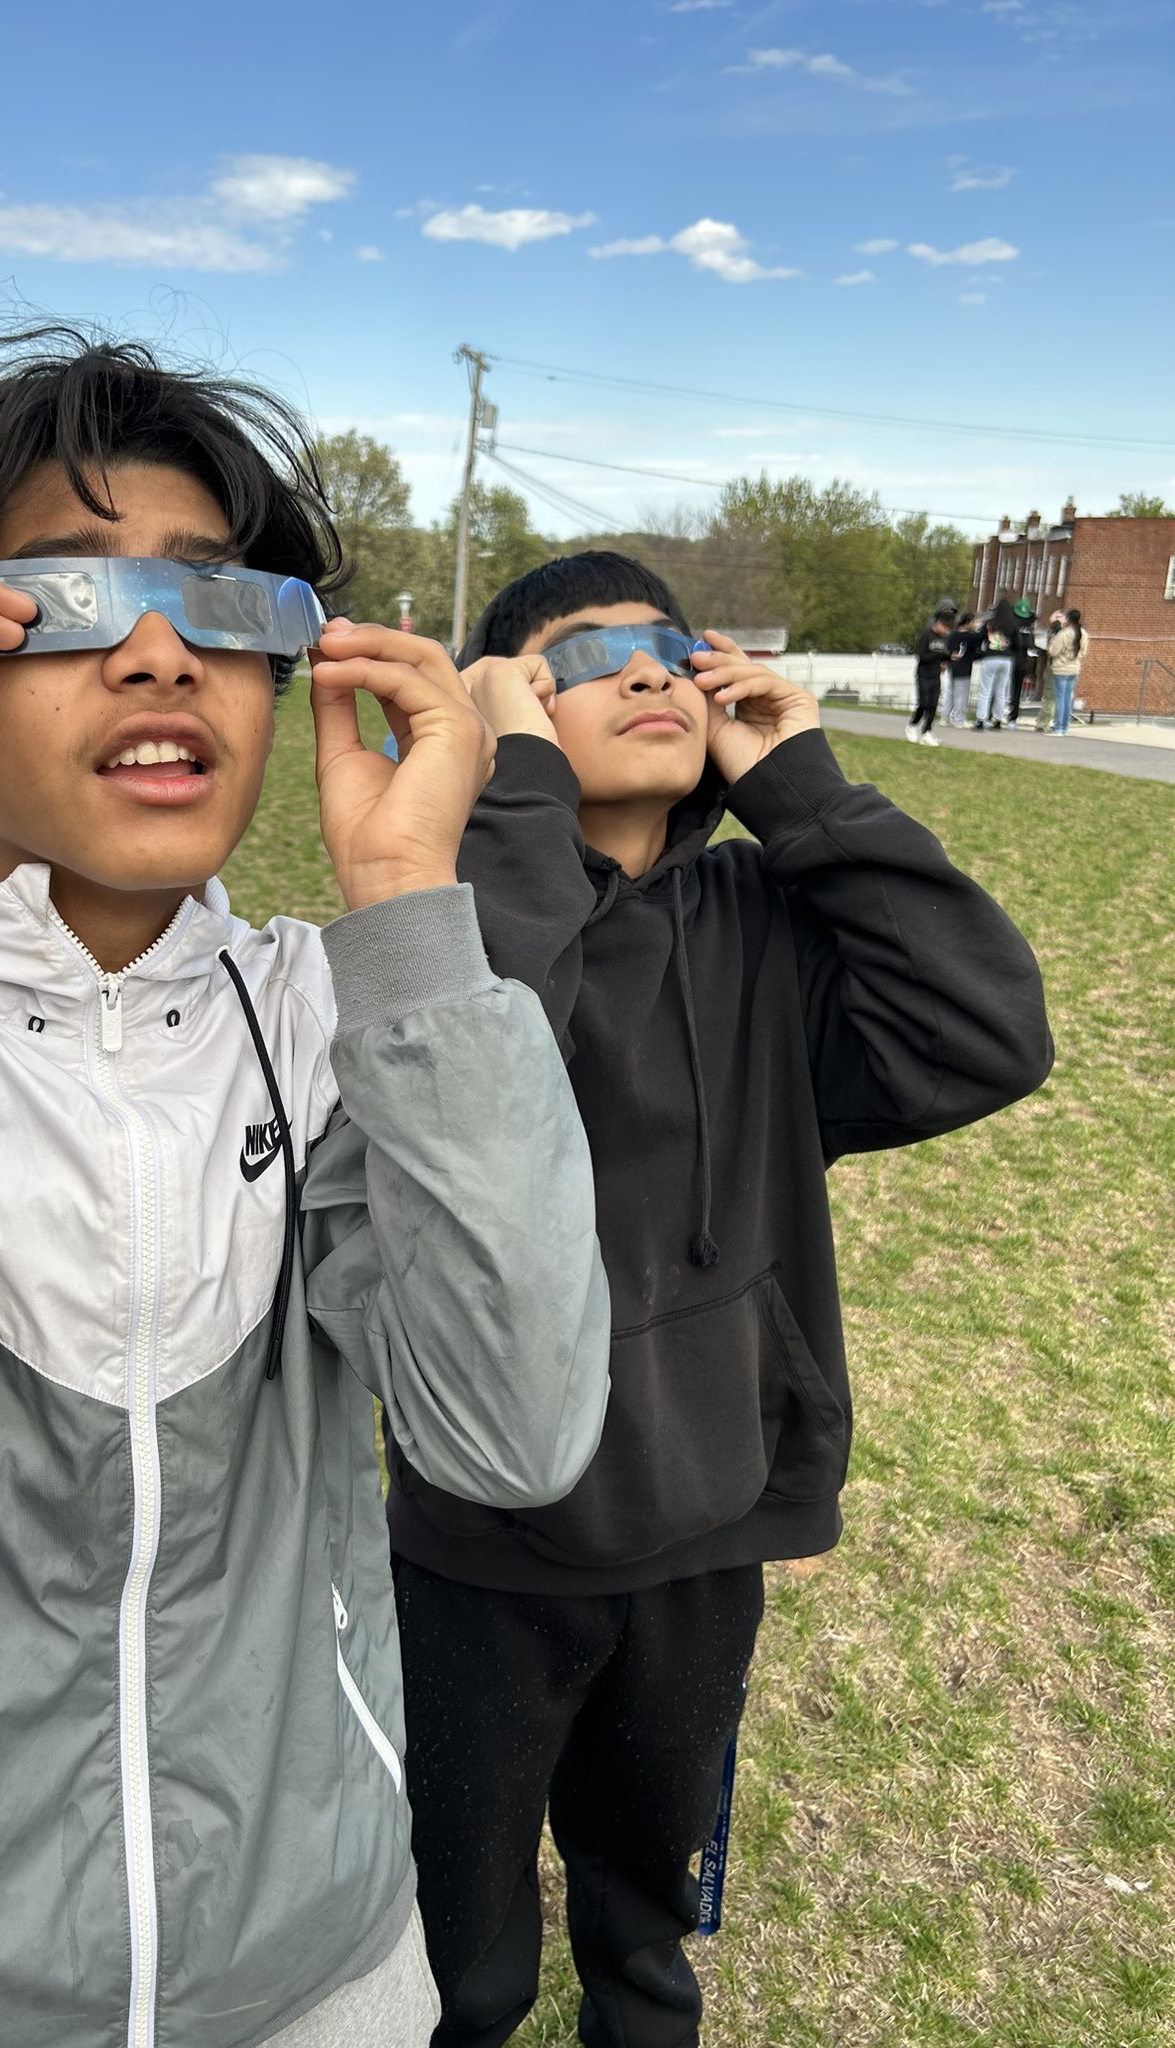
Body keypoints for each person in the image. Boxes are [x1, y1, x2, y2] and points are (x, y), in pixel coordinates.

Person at [0, 327, 612, 2048]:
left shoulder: (349, 1016)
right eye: (68, 600)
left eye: (227, 603)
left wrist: (410, 917)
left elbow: (513, 1435)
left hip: (317, 1973)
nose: (164, 651)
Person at [389, 549, 1054, 2048]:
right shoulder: (442, 914)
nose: (646, 671)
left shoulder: (772, 917)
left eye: (671, 649)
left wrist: (803, 789)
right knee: (461, 1950)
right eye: (588, 654)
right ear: (509, 710)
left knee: (646, 1926)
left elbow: (988, 1034)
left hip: (708, 1523)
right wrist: (510, 792)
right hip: (483, 1551)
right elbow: (465, 1064)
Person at [906, 603, 953, 745]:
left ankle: (927, 731)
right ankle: (912, 725)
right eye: (945, 627)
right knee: (924, 703)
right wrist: (938, 655)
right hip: (923, 673)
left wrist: (948, 658)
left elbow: (943, 655)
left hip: (936, 674)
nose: (946, 631)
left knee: (933, 704)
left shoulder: (944, 639)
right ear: (938, 624)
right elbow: (922, 655)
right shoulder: (927, 635)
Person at [972, 601, 1016, 729]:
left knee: (985, 690)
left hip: (990, 657)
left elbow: (979, 638)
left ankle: (981, 718)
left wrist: (980, 652)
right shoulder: (1012, 625)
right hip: (1006, 659)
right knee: (1001, 691)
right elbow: (1017, 643)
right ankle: (998, 719)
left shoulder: (989, 624)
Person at [1045, 608, 1088, 735]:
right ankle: (1064, 726)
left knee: (1060, 698)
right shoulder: (1083, 633)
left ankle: (1058, 727)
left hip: (1061, 669)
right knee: (1067, 698)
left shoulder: (1064, 633)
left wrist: (1052, 639)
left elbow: (1053, 651)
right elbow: (1083, 652)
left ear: (1068, 619)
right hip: (1074, 668)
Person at [944, 610, 980, 725]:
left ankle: (945, 716)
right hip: (964, 667)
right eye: (974, 622)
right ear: (969, 622)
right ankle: (959, 718)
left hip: (952, 666)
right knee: (962, 694)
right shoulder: (970, 637)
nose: (975, 624)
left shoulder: (953, 635)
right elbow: (976, 653)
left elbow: (948, 649)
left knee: (950, 692)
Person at [1005, 598, 1036, 729]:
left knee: (1003, 690)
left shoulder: (1010, 625)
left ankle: (998, 714)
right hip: (1022, 662)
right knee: (1017, 692)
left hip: (1009, 659)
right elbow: (1031, 645)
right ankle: (1013, 718)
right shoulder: (1029, 627)